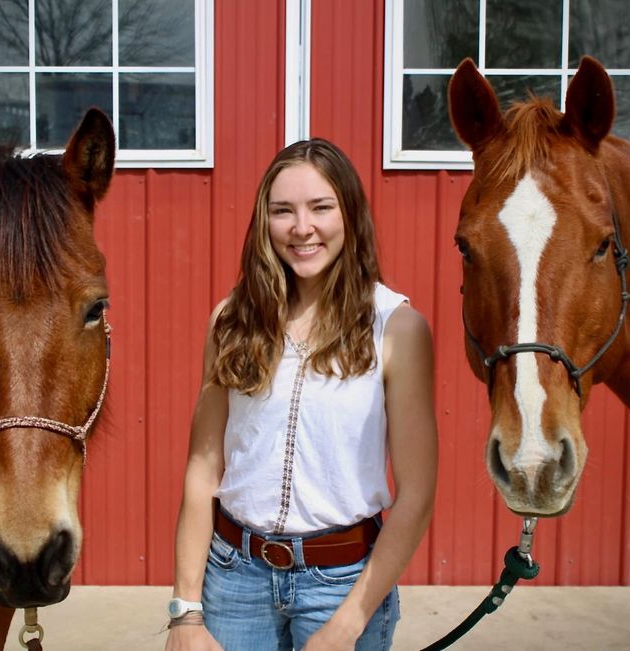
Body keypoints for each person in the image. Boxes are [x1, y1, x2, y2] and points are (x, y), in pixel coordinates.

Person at [164, 138, 438, 651]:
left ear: (349, 214)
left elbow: (417, 494)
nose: (302, 227)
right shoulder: (231, 320)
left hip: (343, 585)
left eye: (321, 207)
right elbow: (203, 470)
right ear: (264, 222)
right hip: (234, 579)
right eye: (283, 211)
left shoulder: (397, 328)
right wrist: (185, 611)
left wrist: (348, 623)